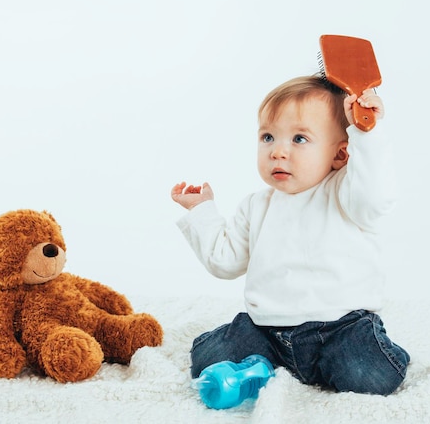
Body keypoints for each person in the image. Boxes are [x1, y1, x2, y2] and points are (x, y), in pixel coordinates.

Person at [170, 75, 409, 396]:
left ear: (340, 155)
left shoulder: (347, 194)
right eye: (268, 137)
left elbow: (376, 194)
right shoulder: (255, 206)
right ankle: (262, 366)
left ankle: (374, 353)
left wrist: (367, 136)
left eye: (299, 139)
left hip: (340, 329)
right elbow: (224, 263)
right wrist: (202, 211)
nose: (278, 152)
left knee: (369, 375)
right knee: (208, 358)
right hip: (267, 330)